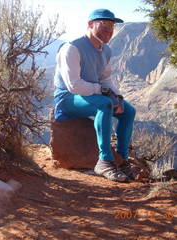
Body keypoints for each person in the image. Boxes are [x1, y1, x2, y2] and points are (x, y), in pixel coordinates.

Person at [53, 9, 136, 182]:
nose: (109, 30)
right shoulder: (72, 48)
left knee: (128, 111)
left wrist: (117, 97)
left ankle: (122, 160)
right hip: (68, 100)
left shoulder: (106, 50)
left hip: (91, 95)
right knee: (104, 104)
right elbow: (73, 85)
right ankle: (105, 161)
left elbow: (105, 79)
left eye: (111, 26)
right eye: (103, 25)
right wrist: (104, 93)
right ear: (90, 24)